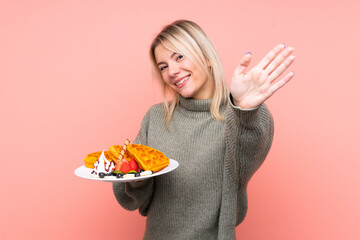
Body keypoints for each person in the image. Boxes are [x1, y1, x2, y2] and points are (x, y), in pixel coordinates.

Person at [112, 20, 295, 240]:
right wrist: (134, 176)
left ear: (206, 58)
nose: (172, 71)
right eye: (163, 66)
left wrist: (246, 110)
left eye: (179, 56)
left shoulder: (239, 116)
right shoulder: (156, 118)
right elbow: (132, 200)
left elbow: (248, 155)